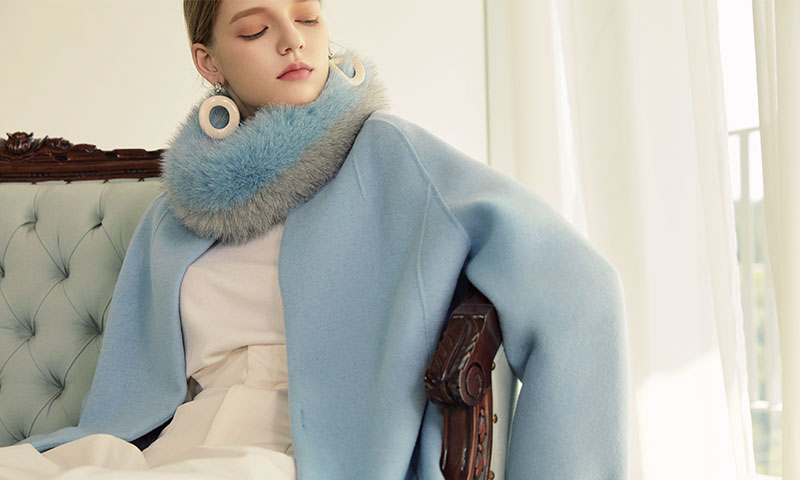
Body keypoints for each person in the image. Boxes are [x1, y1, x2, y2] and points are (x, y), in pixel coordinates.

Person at [0, 0, 629, 478]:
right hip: (173, 443)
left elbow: (581, 289)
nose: (293, 39)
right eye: (255, 29)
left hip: (302, 452)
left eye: (307, 16)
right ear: (208, 62)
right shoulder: (179, 207)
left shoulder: (389, 154)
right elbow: (134, 389)